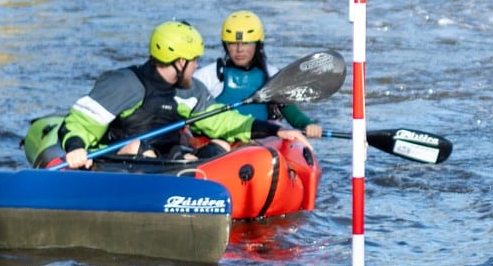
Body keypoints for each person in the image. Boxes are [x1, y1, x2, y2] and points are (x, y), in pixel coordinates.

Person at [24, 21, 209, 169]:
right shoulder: (124, 85)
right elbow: (81, 123)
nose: (197, 66)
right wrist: (76, 148)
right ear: (181, 62)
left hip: (166, 161)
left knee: (216, 147)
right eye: (195, 60)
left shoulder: (192, 91)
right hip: (119, 162)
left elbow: (223, 121)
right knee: (140, 148)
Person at [188, 10, 321, 146]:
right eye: (233, 43)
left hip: (259, 143)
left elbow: (291, 112)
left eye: (246, 43)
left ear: (257, 44)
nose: (239, 50)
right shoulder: (209, 75)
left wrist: (308, 125)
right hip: (220, 143)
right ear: (225, 45)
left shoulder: (271, 75)